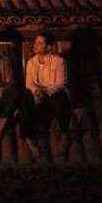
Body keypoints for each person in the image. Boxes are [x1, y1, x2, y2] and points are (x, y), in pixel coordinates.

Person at [21, 32, 71, 160]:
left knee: (60, 97)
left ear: (49, 47)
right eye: (35, 42)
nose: (36, 45)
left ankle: (64, 136)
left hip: (52, 94)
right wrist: (36, 92)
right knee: (25, 99)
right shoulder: (31, 62)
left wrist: (45, 93)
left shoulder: (59, 61)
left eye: (40, 43)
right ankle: (29, 140)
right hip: (38, 95)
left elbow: (60, 83)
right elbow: (29, 83)